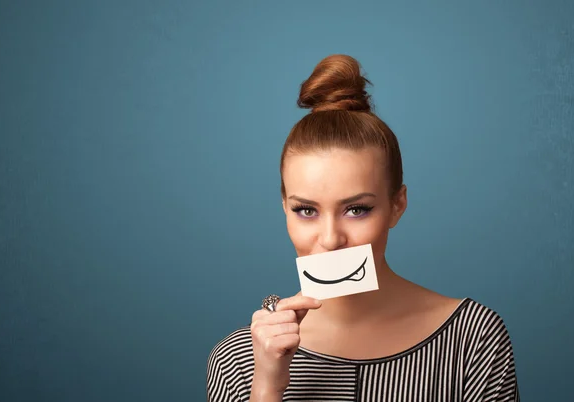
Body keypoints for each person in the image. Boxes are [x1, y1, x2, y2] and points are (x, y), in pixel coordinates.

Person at [206, 54, 519, 402]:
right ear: (284, 208)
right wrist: (267, 386)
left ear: (396, 206)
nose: (330, 239)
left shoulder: (473, 339)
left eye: (356, 209)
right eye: (306, 210)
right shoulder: (238, 360)